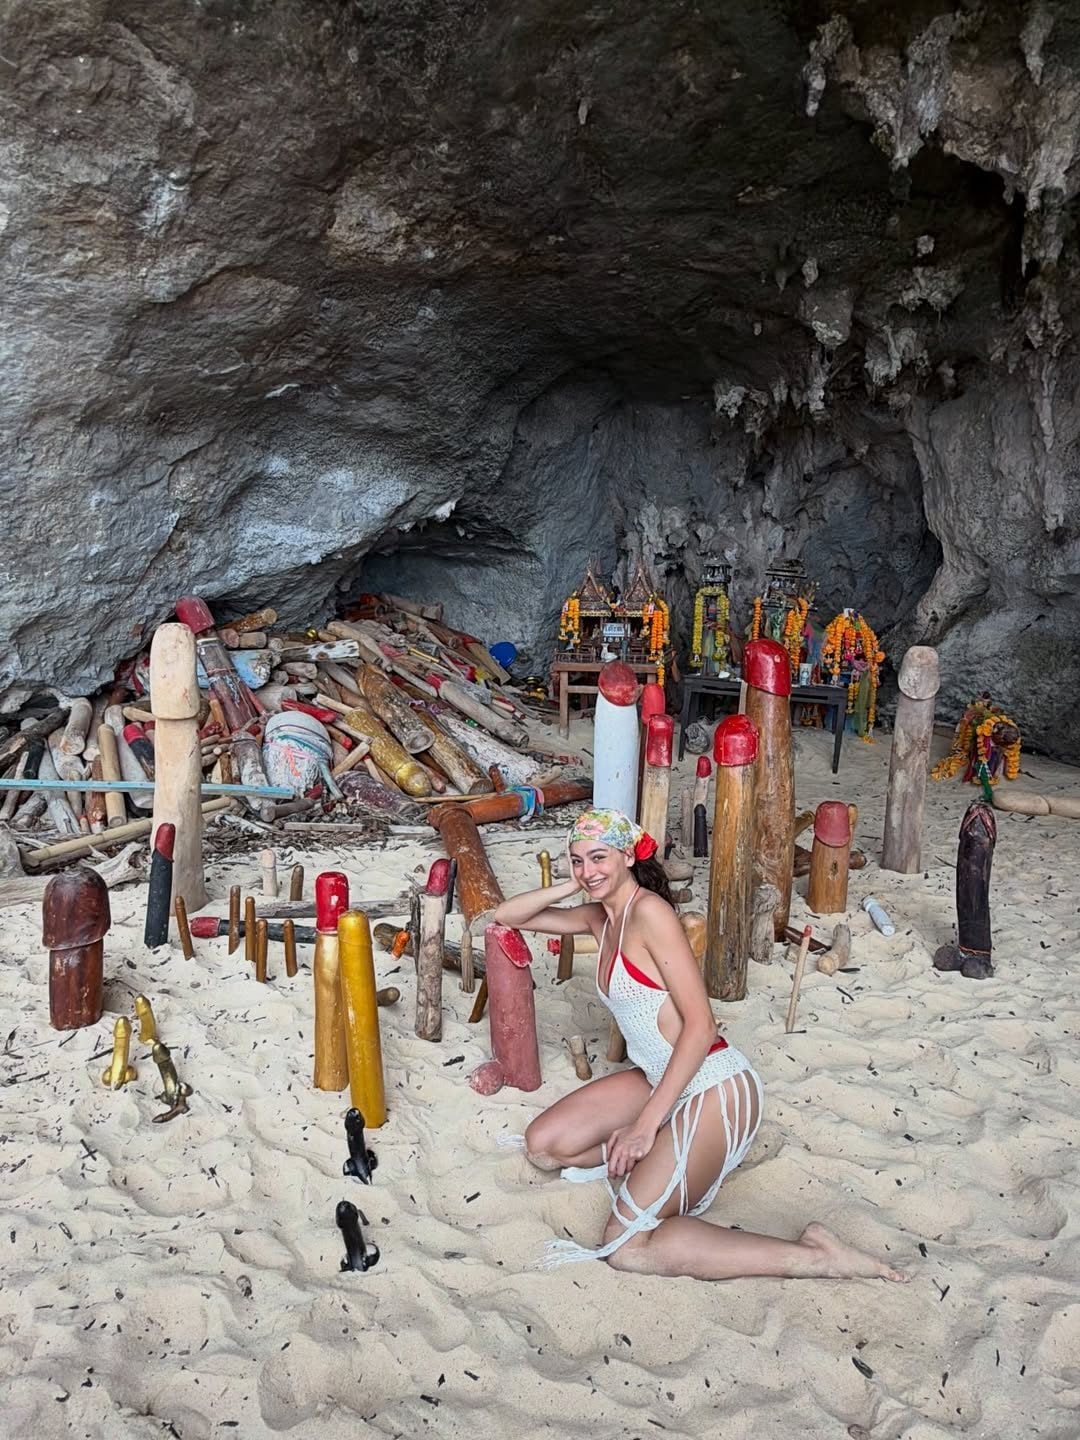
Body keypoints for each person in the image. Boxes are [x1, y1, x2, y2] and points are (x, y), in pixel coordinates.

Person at [493, 807, 907, 1282]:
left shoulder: (649, 912)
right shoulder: (597, 918)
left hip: (715, 1085)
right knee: (544, 1146)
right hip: (660, 1078)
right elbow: (508, 915)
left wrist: (645, 1128)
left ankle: (817, 1255)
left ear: (628, 855)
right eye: (578, 860)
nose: (589, 870)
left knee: (626, 1247)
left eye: (600, 857)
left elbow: (702, 1026)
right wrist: (574, 883)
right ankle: (664, 1143)